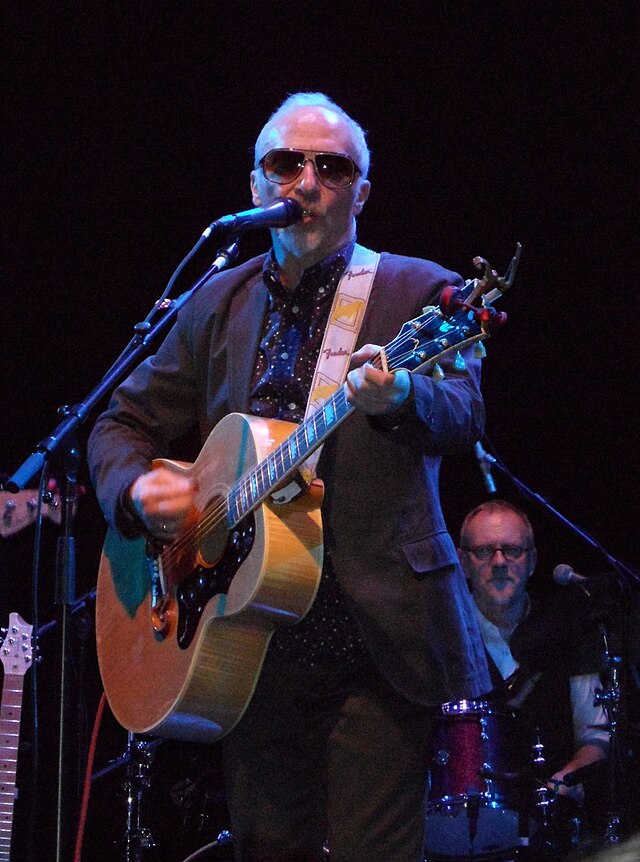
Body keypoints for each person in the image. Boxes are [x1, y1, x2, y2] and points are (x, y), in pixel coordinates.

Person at [88, 91, 491, 862]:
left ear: (360, 192)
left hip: (379, 640)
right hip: (247, 640)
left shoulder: (420, 292)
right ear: (255, 186)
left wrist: (402, 393)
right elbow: (118, 424)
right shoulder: (217, 298)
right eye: (286, 163)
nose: (305, 181)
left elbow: (463, 411)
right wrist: (137, 493)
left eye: (331, 167)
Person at [457, 500, 609, 845]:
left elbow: (596, 735)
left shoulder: (568, 632)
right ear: (463, 561)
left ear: (532, 561)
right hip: (464, 834)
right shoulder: (439, 638)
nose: (499, 562)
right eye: (484, 551)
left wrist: (570, 778)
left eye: (511, 550)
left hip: (558, 833)